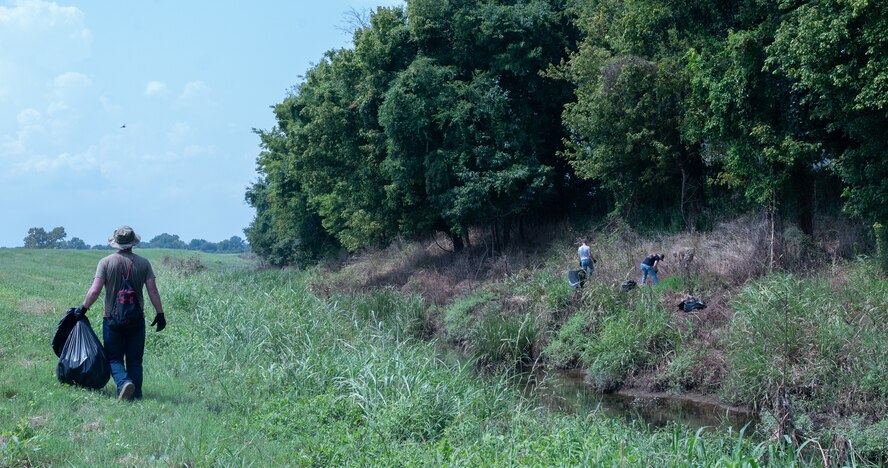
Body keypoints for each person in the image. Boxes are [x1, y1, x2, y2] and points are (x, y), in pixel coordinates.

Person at [75, 226, 166, 401]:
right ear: (133, 243)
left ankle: (123, 383)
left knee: (114, 358)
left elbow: (95, 291)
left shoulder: (105, 262)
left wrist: (83, 309)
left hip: (112, 319)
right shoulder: (144, 263)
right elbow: (153, 291)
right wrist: (160, 313)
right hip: (136, 319)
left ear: (116, 243)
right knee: (135, 360)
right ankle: (136, 395)